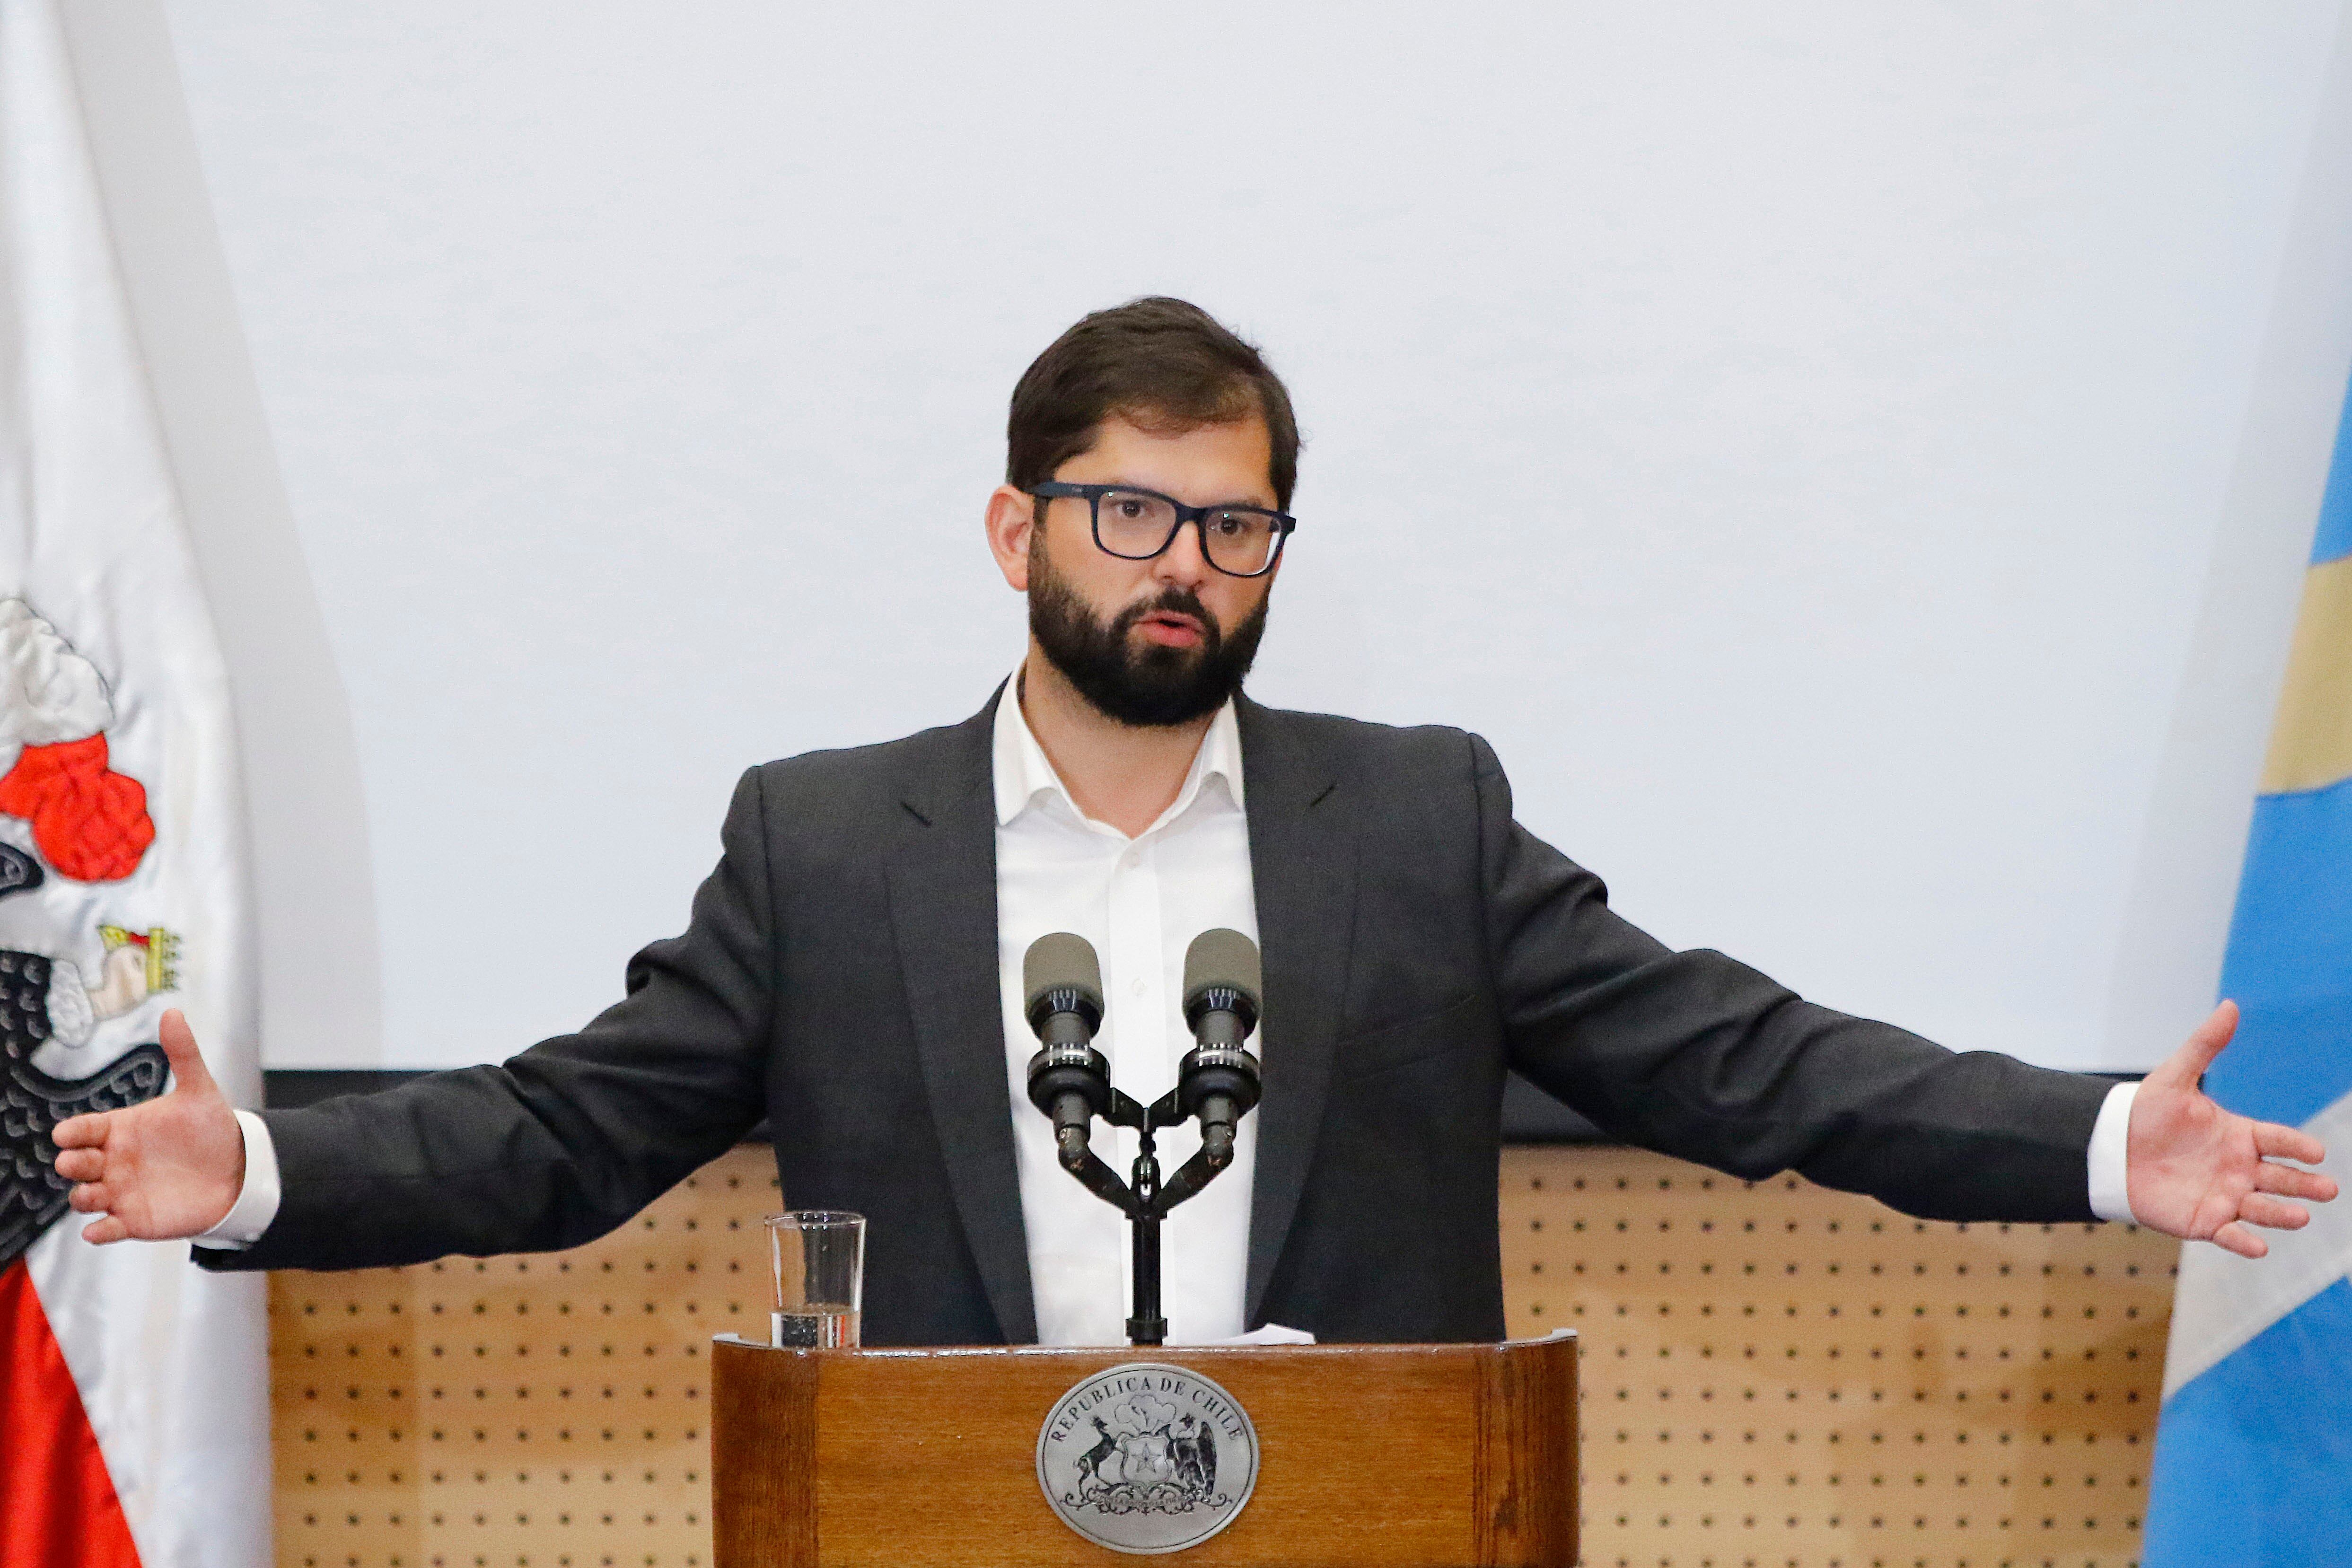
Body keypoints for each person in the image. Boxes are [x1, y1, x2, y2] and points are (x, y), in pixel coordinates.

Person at [51, 298, 2336, 1346]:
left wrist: (2090, 1138)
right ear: (1014, 528)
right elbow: (565, 1130)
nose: (1183, 567)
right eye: (1129, 511)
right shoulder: (828, 848)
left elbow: (1742, 1060)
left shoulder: (1416, 821)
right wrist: (257, 1170)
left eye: (1234, 527)